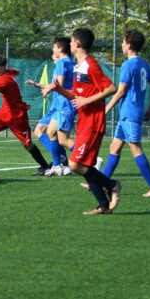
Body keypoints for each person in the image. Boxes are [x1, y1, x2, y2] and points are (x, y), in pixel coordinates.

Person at [45, 28, 121, 215]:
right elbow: (76, 95)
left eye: (71, 41)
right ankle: (103, 205)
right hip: (85, 121)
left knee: (75, 165)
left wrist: (87, 100)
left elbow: (111, 88)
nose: (69, 44)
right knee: (84, 166)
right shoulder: (78, 66)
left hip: (94, 122)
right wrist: (58, 90)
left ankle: (113, 185)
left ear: (77, 43)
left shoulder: (90, 65)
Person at [97, 29, 150, 197]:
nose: (121, 45)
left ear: (129, 45)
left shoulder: (128, 65)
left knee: (135, 148)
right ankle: (102, 182)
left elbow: (121, 91)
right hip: (129, 114)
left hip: (129, 113)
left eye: (123, 42)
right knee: (114, 147)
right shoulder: (144, 64)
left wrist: (106, 109)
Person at [25, 37, 76, 176]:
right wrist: (38, 85)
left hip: (64, 105)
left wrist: (47, 90)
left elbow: (58, 84)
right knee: (41, 130)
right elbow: (58, 84)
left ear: (60, 48)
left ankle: (89, 159)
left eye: (54, 48)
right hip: (58, 105)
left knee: (60, 138)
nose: (52, 51)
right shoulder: (70, 63)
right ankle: (58, 163)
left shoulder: (62, 63)